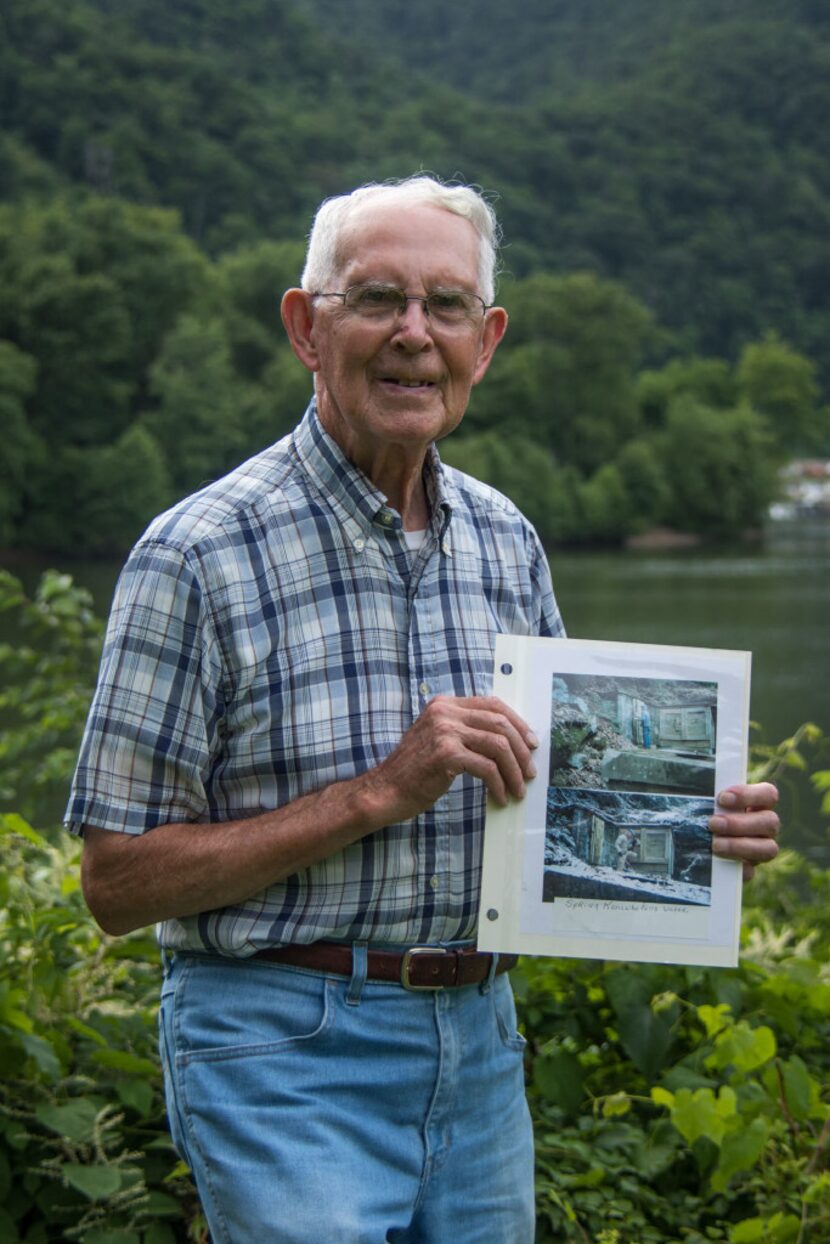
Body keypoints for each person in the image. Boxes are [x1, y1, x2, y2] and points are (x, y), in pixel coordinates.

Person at [67, 176, 780, 1244]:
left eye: (445, 305)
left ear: (483, 341)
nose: (413, 334)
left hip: (478, 1043)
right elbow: (116, 885)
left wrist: (693, 833)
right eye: (377, 300)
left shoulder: (507, 540)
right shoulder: (196, 553)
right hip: (279, 1044)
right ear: (307, 327)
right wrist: (373, 793)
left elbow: (558, 807)